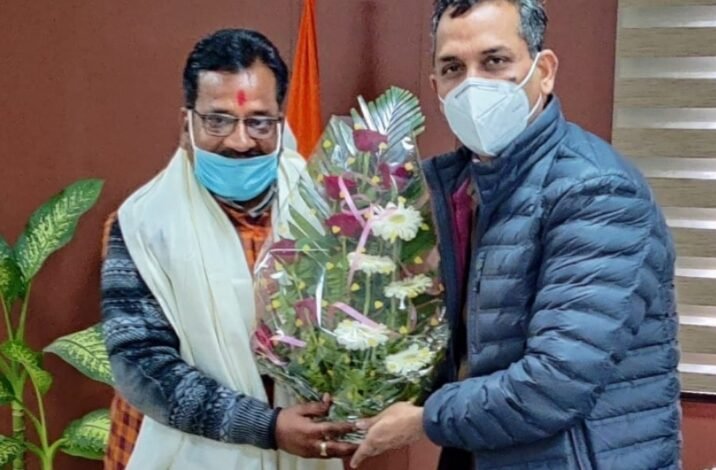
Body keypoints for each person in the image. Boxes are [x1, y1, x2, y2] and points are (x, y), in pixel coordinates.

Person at [350, 1, 681, 469]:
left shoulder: (596, 191)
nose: (472, 84)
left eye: (495, 61)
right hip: (477, 452)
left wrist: (424, 420)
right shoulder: (446, 190)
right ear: (436, 86)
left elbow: (555, 383)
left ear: (543, 72)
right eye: (452, 68)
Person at [101, 29, 355, 470]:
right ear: (187, 125)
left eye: (259, 122)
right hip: (178, 452)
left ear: (281, 122)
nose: (240, 141)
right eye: (218, 120)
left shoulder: (326, 208)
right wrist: (267, 427)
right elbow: (142, 365)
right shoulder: (142, 225)